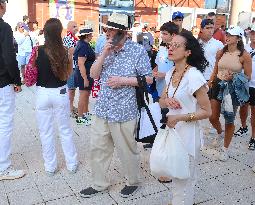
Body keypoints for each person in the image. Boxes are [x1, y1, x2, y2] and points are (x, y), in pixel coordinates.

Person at [79, 12, 152, 198]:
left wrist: (123, 80)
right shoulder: (104, 47)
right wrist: (104, 53)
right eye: (107, 30)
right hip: (103, 108)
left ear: (124, 33)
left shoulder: (137, 51)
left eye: (113, 31)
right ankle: (98, 183)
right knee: (98, 148)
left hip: (124, 110)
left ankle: (132, 181)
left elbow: (149, 79)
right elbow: (94, 74)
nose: (108, 33)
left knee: (127, 150)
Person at [159, 32, 211, 205]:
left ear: (188, 52)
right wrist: (166, 100)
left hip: (188, 133)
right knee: (176, 173)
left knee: (186, 177)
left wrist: (180, 117)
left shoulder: (194, 76)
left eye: (176, 45)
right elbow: (161, 101)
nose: (171, 48)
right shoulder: (171, 72)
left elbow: (207, 111)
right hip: (173, 132)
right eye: (170, 44)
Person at [35, 18, 78, 175]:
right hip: (60, 92)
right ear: (59, 32)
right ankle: (72, 164)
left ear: (45, 31)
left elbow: (32, 72)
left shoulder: (37, 50)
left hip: (42, 93)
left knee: (45, 132)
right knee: (65, 129)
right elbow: (69, 74)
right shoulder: (66, 50)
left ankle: (50, 167)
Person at [208, 26, 252, 161]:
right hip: (217, 85)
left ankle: (225, 149)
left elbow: (248, 76)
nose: (227, 37)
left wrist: (233, 77)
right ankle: (220, 133)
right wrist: (210, 80)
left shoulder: (244, 55)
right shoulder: (221, 51)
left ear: (238, 38)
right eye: (227, 34)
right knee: (212, 116)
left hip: (231, 90)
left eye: (231, 35)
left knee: (229, 119)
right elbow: (216, 67)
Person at [0, 0, 25, 180]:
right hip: (2, 83)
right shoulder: (4, 27)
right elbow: (9, 57)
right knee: (4, 125)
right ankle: (3, 168)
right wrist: (17, 80)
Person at [234, 25, 255, 150]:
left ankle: (253, 137)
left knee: (254, 113)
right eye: (252, 32)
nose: (253, 35)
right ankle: (243, 127)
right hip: (244, 84)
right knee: (243, 108)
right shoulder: (245, 49)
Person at [73, 26, 95, 125]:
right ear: (86, 35)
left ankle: (85, 114)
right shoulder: (83, 46)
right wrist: (85, 78)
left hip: (87, 73)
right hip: (84, 74)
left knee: (86, 95)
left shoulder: (85, 44)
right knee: (83, 95)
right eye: (91, 34)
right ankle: (80, 117)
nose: (92, 36)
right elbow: (81, 63)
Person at [153, 22, 179, 98]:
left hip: (173, 93)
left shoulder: (180, 51)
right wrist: (152, 73)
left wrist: (164, 75)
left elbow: (183, 71)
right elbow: (158, 65)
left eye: (165, 34)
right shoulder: (161, 48)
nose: (162, 36)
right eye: (162, 33)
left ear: (173, 35)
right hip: (159, 89)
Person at [63, 21, 79, 118]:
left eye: (76, 26)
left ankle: (71, 105)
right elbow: (70, 51)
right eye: (74, 26)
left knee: (73, 88)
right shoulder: (67, 38)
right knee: (71, 88)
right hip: (70, 67)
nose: (76, 28)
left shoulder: (76, 39)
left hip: (76, 66)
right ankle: (69, 108)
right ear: (68, 29)